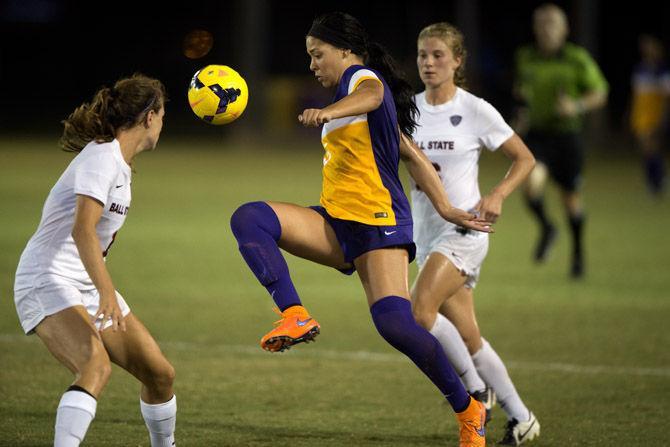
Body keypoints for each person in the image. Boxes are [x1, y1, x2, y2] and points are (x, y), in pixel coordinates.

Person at [230, 11, 492, 447]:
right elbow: (410, 153)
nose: (313, 65)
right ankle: (294, 315)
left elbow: (372, 93)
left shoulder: (360, 79)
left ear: (345, 51)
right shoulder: (346, 96)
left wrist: (328, 110)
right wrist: (444, 205)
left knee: (395, 325)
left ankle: (469, 409)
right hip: (338, 222)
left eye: (318, 55)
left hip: (378, 224)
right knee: (250, 218)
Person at [13, 74, 177, 447]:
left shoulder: (118, 162)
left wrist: (99, 290)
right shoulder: (102, 158)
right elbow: (82, 230)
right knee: (95, 366)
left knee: (160, 374)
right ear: (150, 116)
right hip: (46, 276)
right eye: (163, 114)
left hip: (83, 281)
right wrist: (107, 292)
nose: (163, 124)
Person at [409, 22, 540, 446]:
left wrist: (498, 194)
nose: (428, 63)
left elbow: (523, 158)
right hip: (426, 237)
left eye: (438, 56)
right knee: (469, 337)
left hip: (465, 231)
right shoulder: (408, 110)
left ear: (457, 61)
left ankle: (475, 393)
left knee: (418, 311)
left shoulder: (476, 110)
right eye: (422, 55)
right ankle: (522, 417)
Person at [514, 3, 608, 278]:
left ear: (564, 28)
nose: (547, 30)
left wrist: (576, 106)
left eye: (552, 24)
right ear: (535, 29)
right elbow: (521, 93)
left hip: (568, 137)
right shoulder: (526, 57)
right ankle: (547, 228)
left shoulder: (576, 58)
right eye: (542, 24)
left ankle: (578, 255)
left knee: (571, 200)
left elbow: (600, 92)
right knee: (531, 186)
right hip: (538, 136)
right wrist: (520, 117)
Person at [630, 33, 670, 196]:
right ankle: (653, 181)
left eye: (650, 46)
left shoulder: (662, 70)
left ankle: (659, 181)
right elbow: (635, 95)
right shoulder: (639, 68)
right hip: (641, 114)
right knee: (646, 150)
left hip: (655, 114)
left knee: (652, 148)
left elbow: (666, 96)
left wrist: (664, 116)